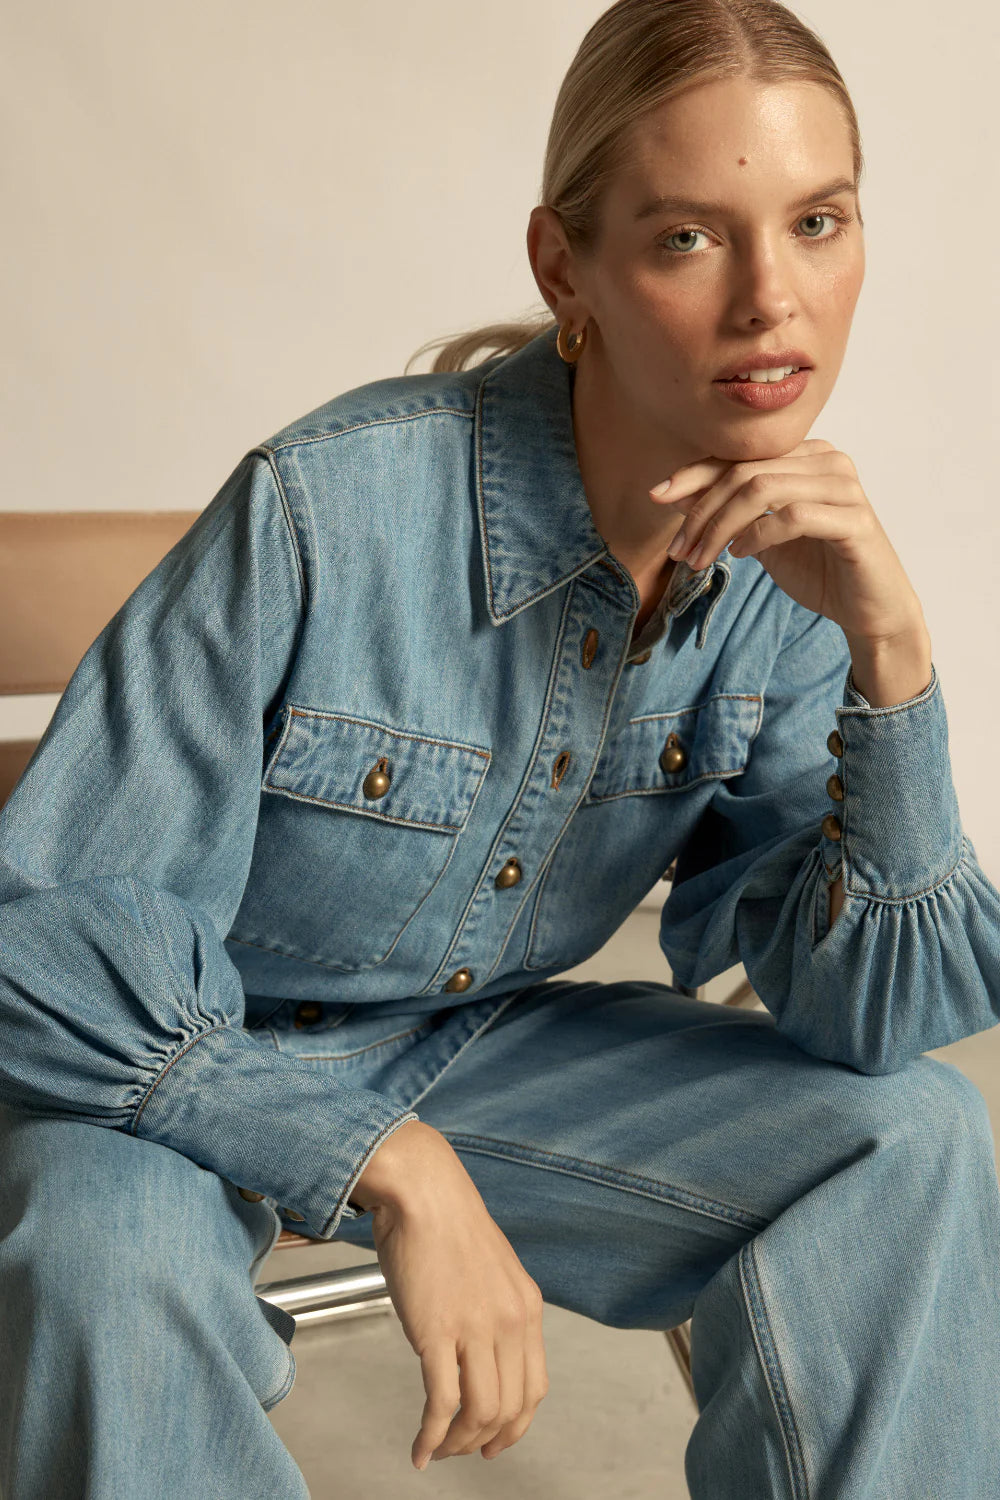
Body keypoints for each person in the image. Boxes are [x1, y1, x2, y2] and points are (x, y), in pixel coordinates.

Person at [1, 0, 998, 1495]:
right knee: (100, 1248)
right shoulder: (329, 511)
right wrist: (386, 1161)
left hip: (479, 1052)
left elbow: (877, 1019)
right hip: (168, 1065)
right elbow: (44, 944)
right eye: (688, 237)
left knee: (909, 1136)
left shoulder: (788, 573)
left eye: (817, 222)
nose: (771, 301)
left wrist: (892, 660)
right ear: (563, 267)